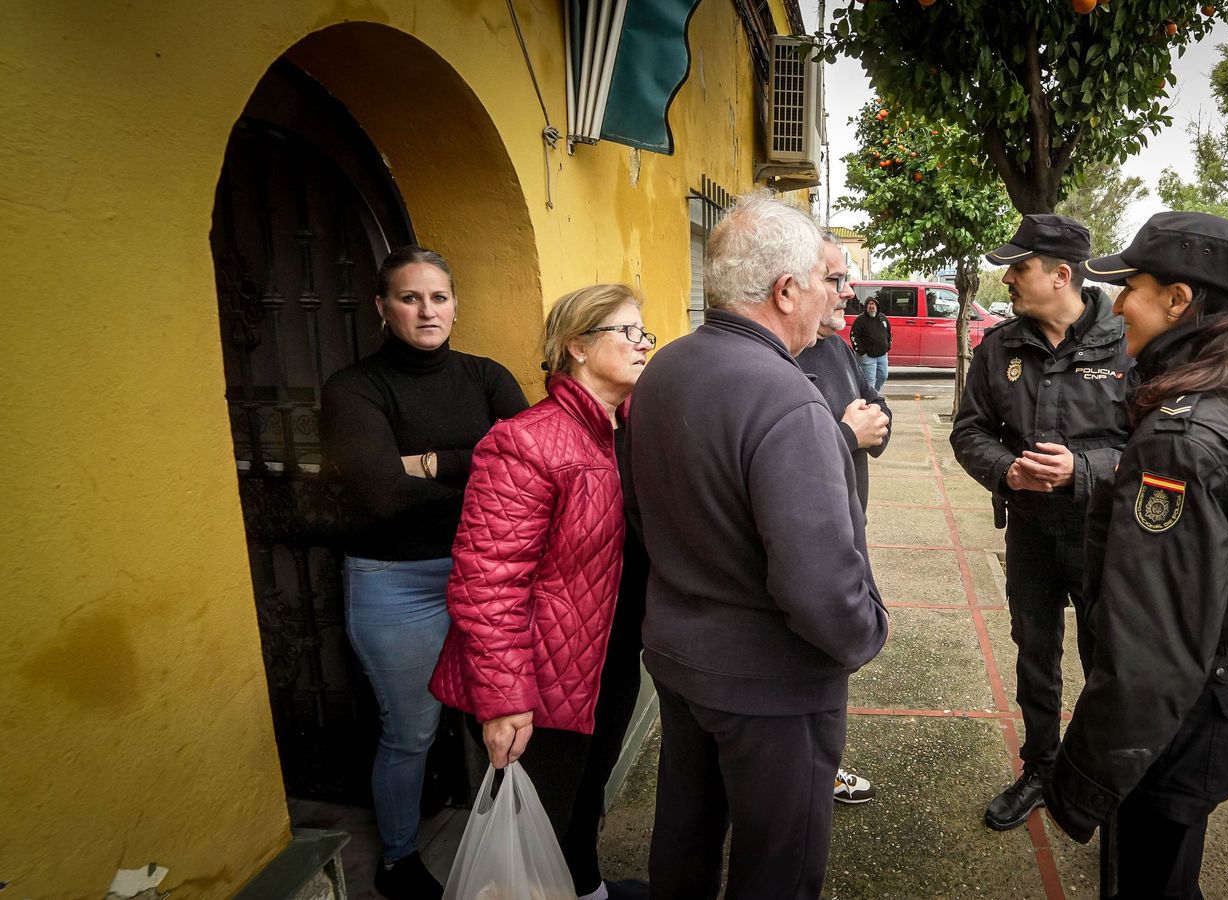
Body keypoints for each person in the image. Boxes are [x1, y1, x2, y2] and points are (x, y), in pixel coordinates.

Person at [1042, 212, 1228, 899]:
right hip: (1221, 692)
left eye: (1130, 287)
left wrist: (1082, 779)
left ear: (1178, 300)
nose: (1116, 305)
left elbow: (1153, 647)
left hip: (1181, 714)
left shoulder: (1183, 436)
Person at [622, 192, 889, 898]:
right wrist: (865, 632)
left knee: (685, 838)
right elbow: (817, 584)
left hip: (682, 660)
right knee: (778, 867)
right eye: (824, 280)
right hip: (772, 686)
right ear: (786, 290)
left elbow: (643, 515)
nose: (831, 295)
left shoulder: (664, 369)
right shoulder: (787, 399)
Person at [430, 284, 654, 900]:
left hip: (607, 662)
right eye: (627, 332)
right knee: (533, 837)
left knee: (584, 804)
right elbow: (487, 582)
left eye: (645, 333)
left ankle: (586, 889)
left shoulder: (627, 432)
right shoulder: (527, 442)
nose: (643, 345)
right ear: (577, 346)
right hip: (542, 679)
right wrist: (504, 699)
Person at [321, 246, 529, 899]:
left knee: (502, 713)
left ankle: (514, 841)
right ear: (383, 308)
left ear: (455, 306)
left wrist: (430, 463)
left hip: (487, 574)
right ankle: (399, 860)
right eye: (409, 298)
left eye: (438, 297)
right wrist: (482, 472)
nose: (426, 310)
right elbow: (382, 494)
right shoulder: (354, 389)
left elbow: (531, 466)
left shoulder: (486, 376)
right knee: (410, 731)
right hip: (396, 581)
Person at [948, 214, 1133, 832]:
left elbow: (1159, 447)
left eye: (1019, 268)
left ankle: (1098, 782)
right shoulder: (999, 347)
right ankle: (1041, 768)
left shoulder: (1129, 342)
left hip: (1104, 535)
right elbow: (969, 430)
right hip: (1031, 529)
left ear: (1060, 275)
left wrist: (1083, 468)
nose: (1007, 279)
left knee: (1106, 659)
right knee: (1035, 653)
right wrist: (1007, 471)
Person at [796, 237, 892, 805]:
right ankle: (808, 773)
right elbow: (782, 464)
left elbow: (876, 406)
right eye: (836, 278)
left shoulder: (835, 346)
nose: (849, 291)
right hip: (808, 546)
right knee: (812, 658)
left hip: (848, 529)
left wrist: (870, 427)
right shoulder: (778, 360)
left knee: (830, 668)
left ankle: (821, 763)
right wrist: (846, 434)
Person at [850, 295, 891, 392]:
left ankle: (874, 394)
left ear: (877, 306)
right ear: (866, 307)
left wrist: (888, 345)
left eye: (873, 305)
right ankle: (871, 398)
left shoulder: (882, 318)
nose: (872, 307)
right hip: (867, 357)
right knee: (870, 381)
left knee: (883, 376)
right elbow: (853, 336)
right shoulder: (860, 320)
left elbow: (888, 332)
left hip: (882, 356)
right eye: (869, 305)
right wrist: (861, 352)